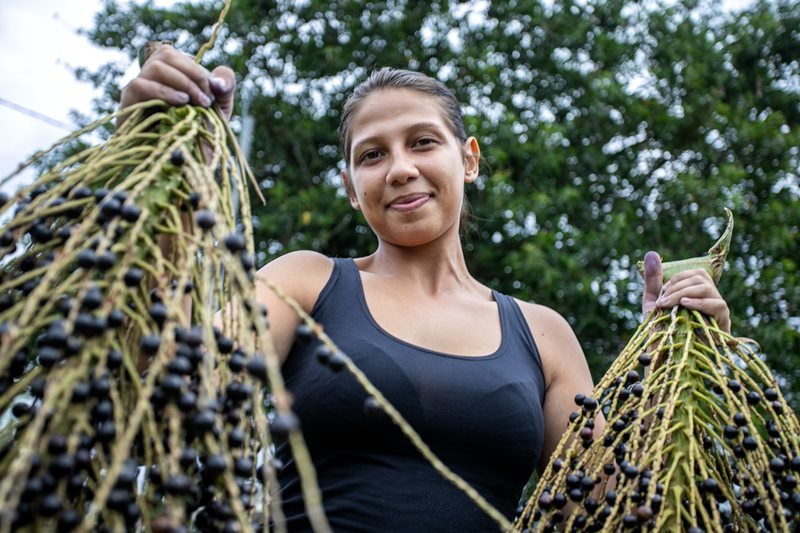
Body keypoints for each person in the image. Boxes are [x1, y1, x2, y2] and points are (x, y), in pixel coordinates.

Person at [120, 45, 731, 532]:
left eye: (422, 142)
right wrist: (164, 179)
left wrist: (669, 365)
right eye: (371, 155)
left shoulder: (543, 333)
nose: (401, 168)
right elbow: (157, 404)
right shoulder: (304, 283)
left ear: (468, 159)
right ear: (351, 187)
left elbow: (606, 506)